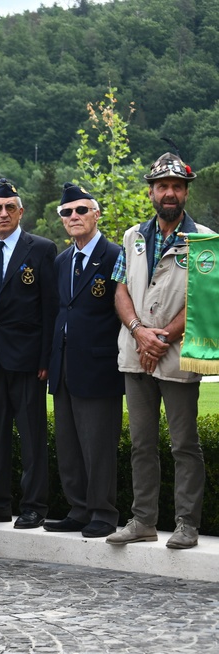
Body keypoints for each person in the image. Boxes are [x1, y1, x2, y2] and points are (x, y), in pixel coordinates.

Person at [107, 152, 213, 550]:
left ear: (186, 192)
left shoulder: (204, 241)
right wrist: (139, 332)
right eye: (162, 186)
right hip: (136, 352)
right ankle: (143, 521)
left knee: (184, 444)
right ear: (151, 191)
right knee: (141, 444)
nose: (169, 193)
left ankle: (187, 525)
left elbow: (203, 297)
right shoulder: (132, 237)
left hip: (177, 354)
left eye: (177, 186)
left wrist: (161, 337)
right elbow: (119, 288)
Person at [0, 178, 57, 529]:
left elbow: (50, 308)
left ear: (22, 211)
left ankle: (34, 505)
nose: (4, 214)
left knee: (32, 435)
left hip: (28, 359)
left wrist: (46, 359)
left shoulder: (41, 249)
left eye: (10, 208)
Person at [45, 183, 124, 539]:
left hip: (99, 367)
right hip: (64, 368)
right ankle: (78, 508)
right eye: (67, 213)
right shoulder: (61, 261)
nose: (73, 217)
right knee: (69, 446)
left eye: (80, 210)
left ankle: (103, 513)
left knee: (98, 447)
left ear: (96, 213)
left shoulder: (116, 255)